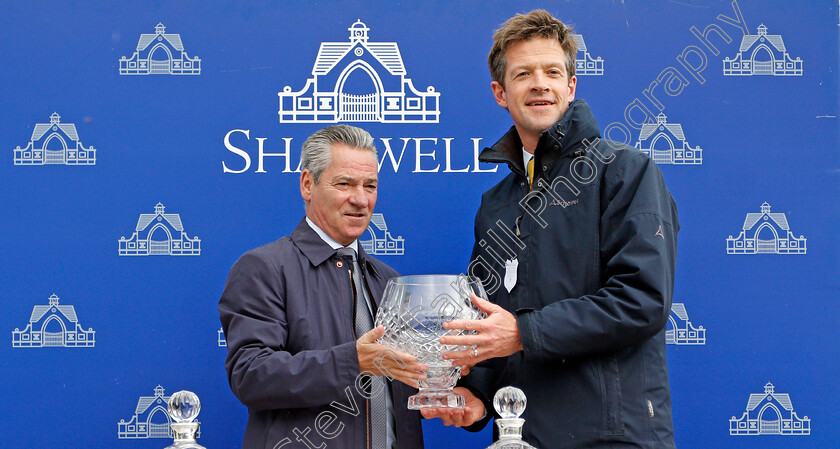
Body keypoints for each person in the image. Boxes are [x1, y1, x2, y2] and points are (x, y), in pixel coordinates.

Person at [421, 10, 679, 449]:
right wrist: (478, 395)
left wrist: (523, 333)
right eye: (524, 74)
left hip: (613, 439)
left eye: (552, 72)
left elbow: (642, 300)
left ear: (570, 86)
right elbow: (491, 318)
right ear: (501, 93)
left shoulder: (625, 172)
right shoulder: (494, 204)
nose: (540, 83)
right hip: (520, 436)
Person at [219, 125, 426, 449]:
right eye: (344, 183)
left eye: (370, 185)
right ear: (307, 184)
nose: (360, 199)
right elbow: (251, 375)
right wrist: (352, 362)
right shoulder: (264, 268)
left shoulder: (390, 281)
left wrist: (441, 382)